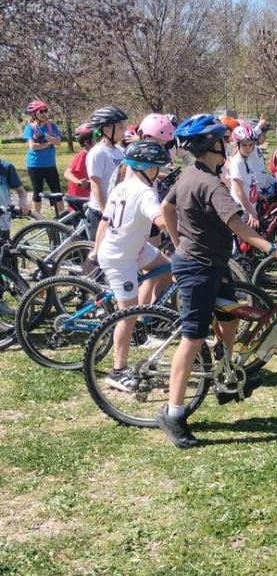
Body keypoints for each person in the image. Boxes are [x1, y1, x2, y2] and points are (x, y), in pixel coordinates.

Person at [157, 114, 277, 448]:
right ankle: (173, 413)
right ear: (212, 145)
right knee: (193, 338)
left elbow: (166, 206)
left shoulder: (191, 174)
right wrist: (275, 252)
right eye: (223, 140)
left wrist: (178, 244)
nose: (227, 145)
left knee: (230, 316)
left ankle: (226, 376)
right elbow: (239, 226)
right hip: (199, 269)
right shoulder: (210, 184)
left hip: (212, 265)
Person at [95, 141, 173, 390]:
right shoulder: (144, 192)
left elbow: (104, 221)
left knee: (168, 268)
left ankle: (144, 316)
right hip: (121, 258)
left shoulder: (123, 186)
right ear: (145, 168)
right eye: (156, 168)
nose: (159, 172)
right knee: (125, 316)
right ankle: (118, 371)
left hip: (136, 249)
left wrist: (95, 249)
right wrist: (185, 238)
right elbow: (160, 220)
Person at [85, 105, 128, 240]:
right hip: (101, 211)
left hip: (118, 210)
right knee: (98, 256)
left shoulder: (120, 150)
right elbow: (95, 186)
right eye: (120, 127)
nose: (124, 130)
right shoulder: (98, 153)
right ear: (106, 129)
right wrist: (106, 213)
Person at [22, 100, 63, 215]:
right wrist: (49, 143)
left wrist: (49, 139)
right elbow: (32, 146)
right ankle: (38, 217)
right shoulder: (30, 128)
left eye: (46, 111)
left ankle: (62, 216)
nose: (45, 114)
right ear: (34, 114)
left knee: (57, 192)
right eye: (41, 112)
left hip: (50, 165)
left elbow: (59, 142)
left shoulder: (52, 126)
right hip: (35, 165)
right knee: (37, 191)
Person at [0, 158, 28, 315]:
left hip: (3, 223)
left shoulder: (6, 167)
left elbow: (22, 192)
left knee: (5, 259)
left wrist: (23, 203)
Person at [228, 122, 268, 225]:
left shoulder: (247, 159)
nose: (248, 149)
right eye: (244, 145)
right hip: (241, 210)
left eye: (251, 145)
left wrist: (258, 195)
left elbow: (249, 182)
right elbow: (238, 191)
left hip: (249, 207)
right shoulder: (237, 162)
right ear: (237, 145)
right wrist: (251, 212)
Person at [64, 123, 96, 198]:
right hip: (78, 195)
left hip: (89, 194)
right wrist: (77, 181)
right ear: (86, 142)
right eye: (95, 138)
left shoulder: (95, 155)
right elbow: (67, 173)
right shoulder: (83, 155)